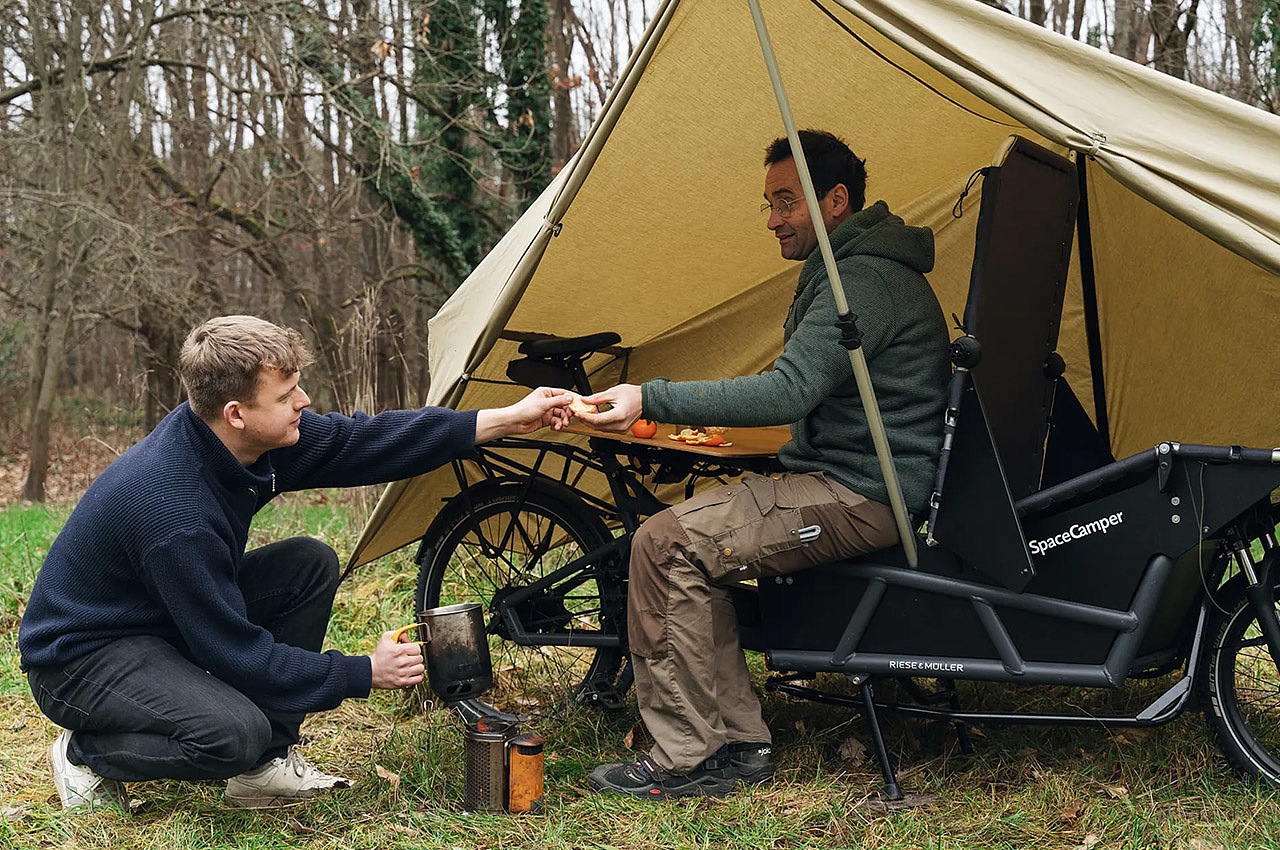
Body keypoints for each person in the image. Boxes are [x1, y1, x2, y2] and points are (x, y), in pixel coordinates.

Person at [18, 315, 572, 810]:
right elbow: (235, 652)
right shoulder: (173, 509)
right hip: (82, 657)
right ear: (236, 413)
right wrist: (362, 673)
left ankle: (264, 768)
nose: (303, 401)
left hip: (160, 620)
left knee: (308, 562)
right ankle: (88, 754)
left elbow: (365, 439)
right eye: (285, 395)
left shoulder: (243, 440)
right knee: (231, 737)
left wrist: (505, 419)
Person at [575, 130, 951, 799]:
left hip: (861, 494)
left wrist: (648, 395)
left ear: (836, 201)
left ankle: (686, 758)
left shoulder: (860, 280)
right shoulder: (859, 269)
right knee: (691, 542)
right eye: (769, 203)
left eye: (786, 201)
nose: (773, 219)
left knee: (663, 544)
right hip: (859, 479)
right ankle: (740, 743)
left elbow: (789, 390)